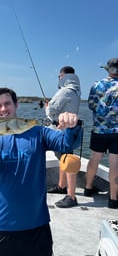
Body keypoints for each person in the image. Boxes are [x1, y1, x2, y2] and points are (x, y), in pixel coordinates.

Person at [0, 87, 82, 256]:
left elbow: (67, 144)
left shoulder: (38, 132)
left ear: (16, 105)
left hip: (36, 225)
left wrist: (72, 126)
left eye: (7, 103)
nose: (3, 109)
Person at [84, 58, 118, 209]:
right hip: (117, 132)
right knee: (115, 164)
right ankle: (113, 199)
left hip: (98, 130)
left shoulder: (96, 85)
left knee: (94, 159)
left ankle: (88, 188)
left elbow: (91, 105)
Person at [46, 66, 81, 208]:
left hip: (61, 132)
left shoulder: (65, 91)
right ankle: (62, 186)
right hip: (69, 132)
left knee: (67, 161)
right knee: (63, 159)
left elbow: (51, 110)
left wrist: (47, 107)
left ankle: (71, 196)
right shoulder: (76, 91)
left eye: (59, 77)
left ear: (62, 76)